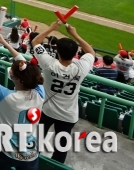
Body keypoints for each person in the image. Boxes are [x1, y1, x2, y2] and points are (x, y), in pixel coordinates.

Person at [0, 35, 45, 169]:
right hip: (30, 152)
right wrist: (5, 44)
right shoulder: (40, 92)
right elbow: (27, 67)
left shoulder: (5, 96)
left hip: (4, 151)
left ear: (17, 79)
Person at [32, 21, 95, 164]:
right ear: (75, 54)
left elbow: (36, 41)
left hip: (47, 110)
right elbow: (91, 52)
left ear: (57, 52)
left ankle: (32, 164)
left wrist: (51, 28)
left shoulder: (49, 64)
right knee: (61, 149)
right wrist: (75, 34)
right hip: (68, 115)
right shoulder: (81, 67)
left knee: (37, 141)